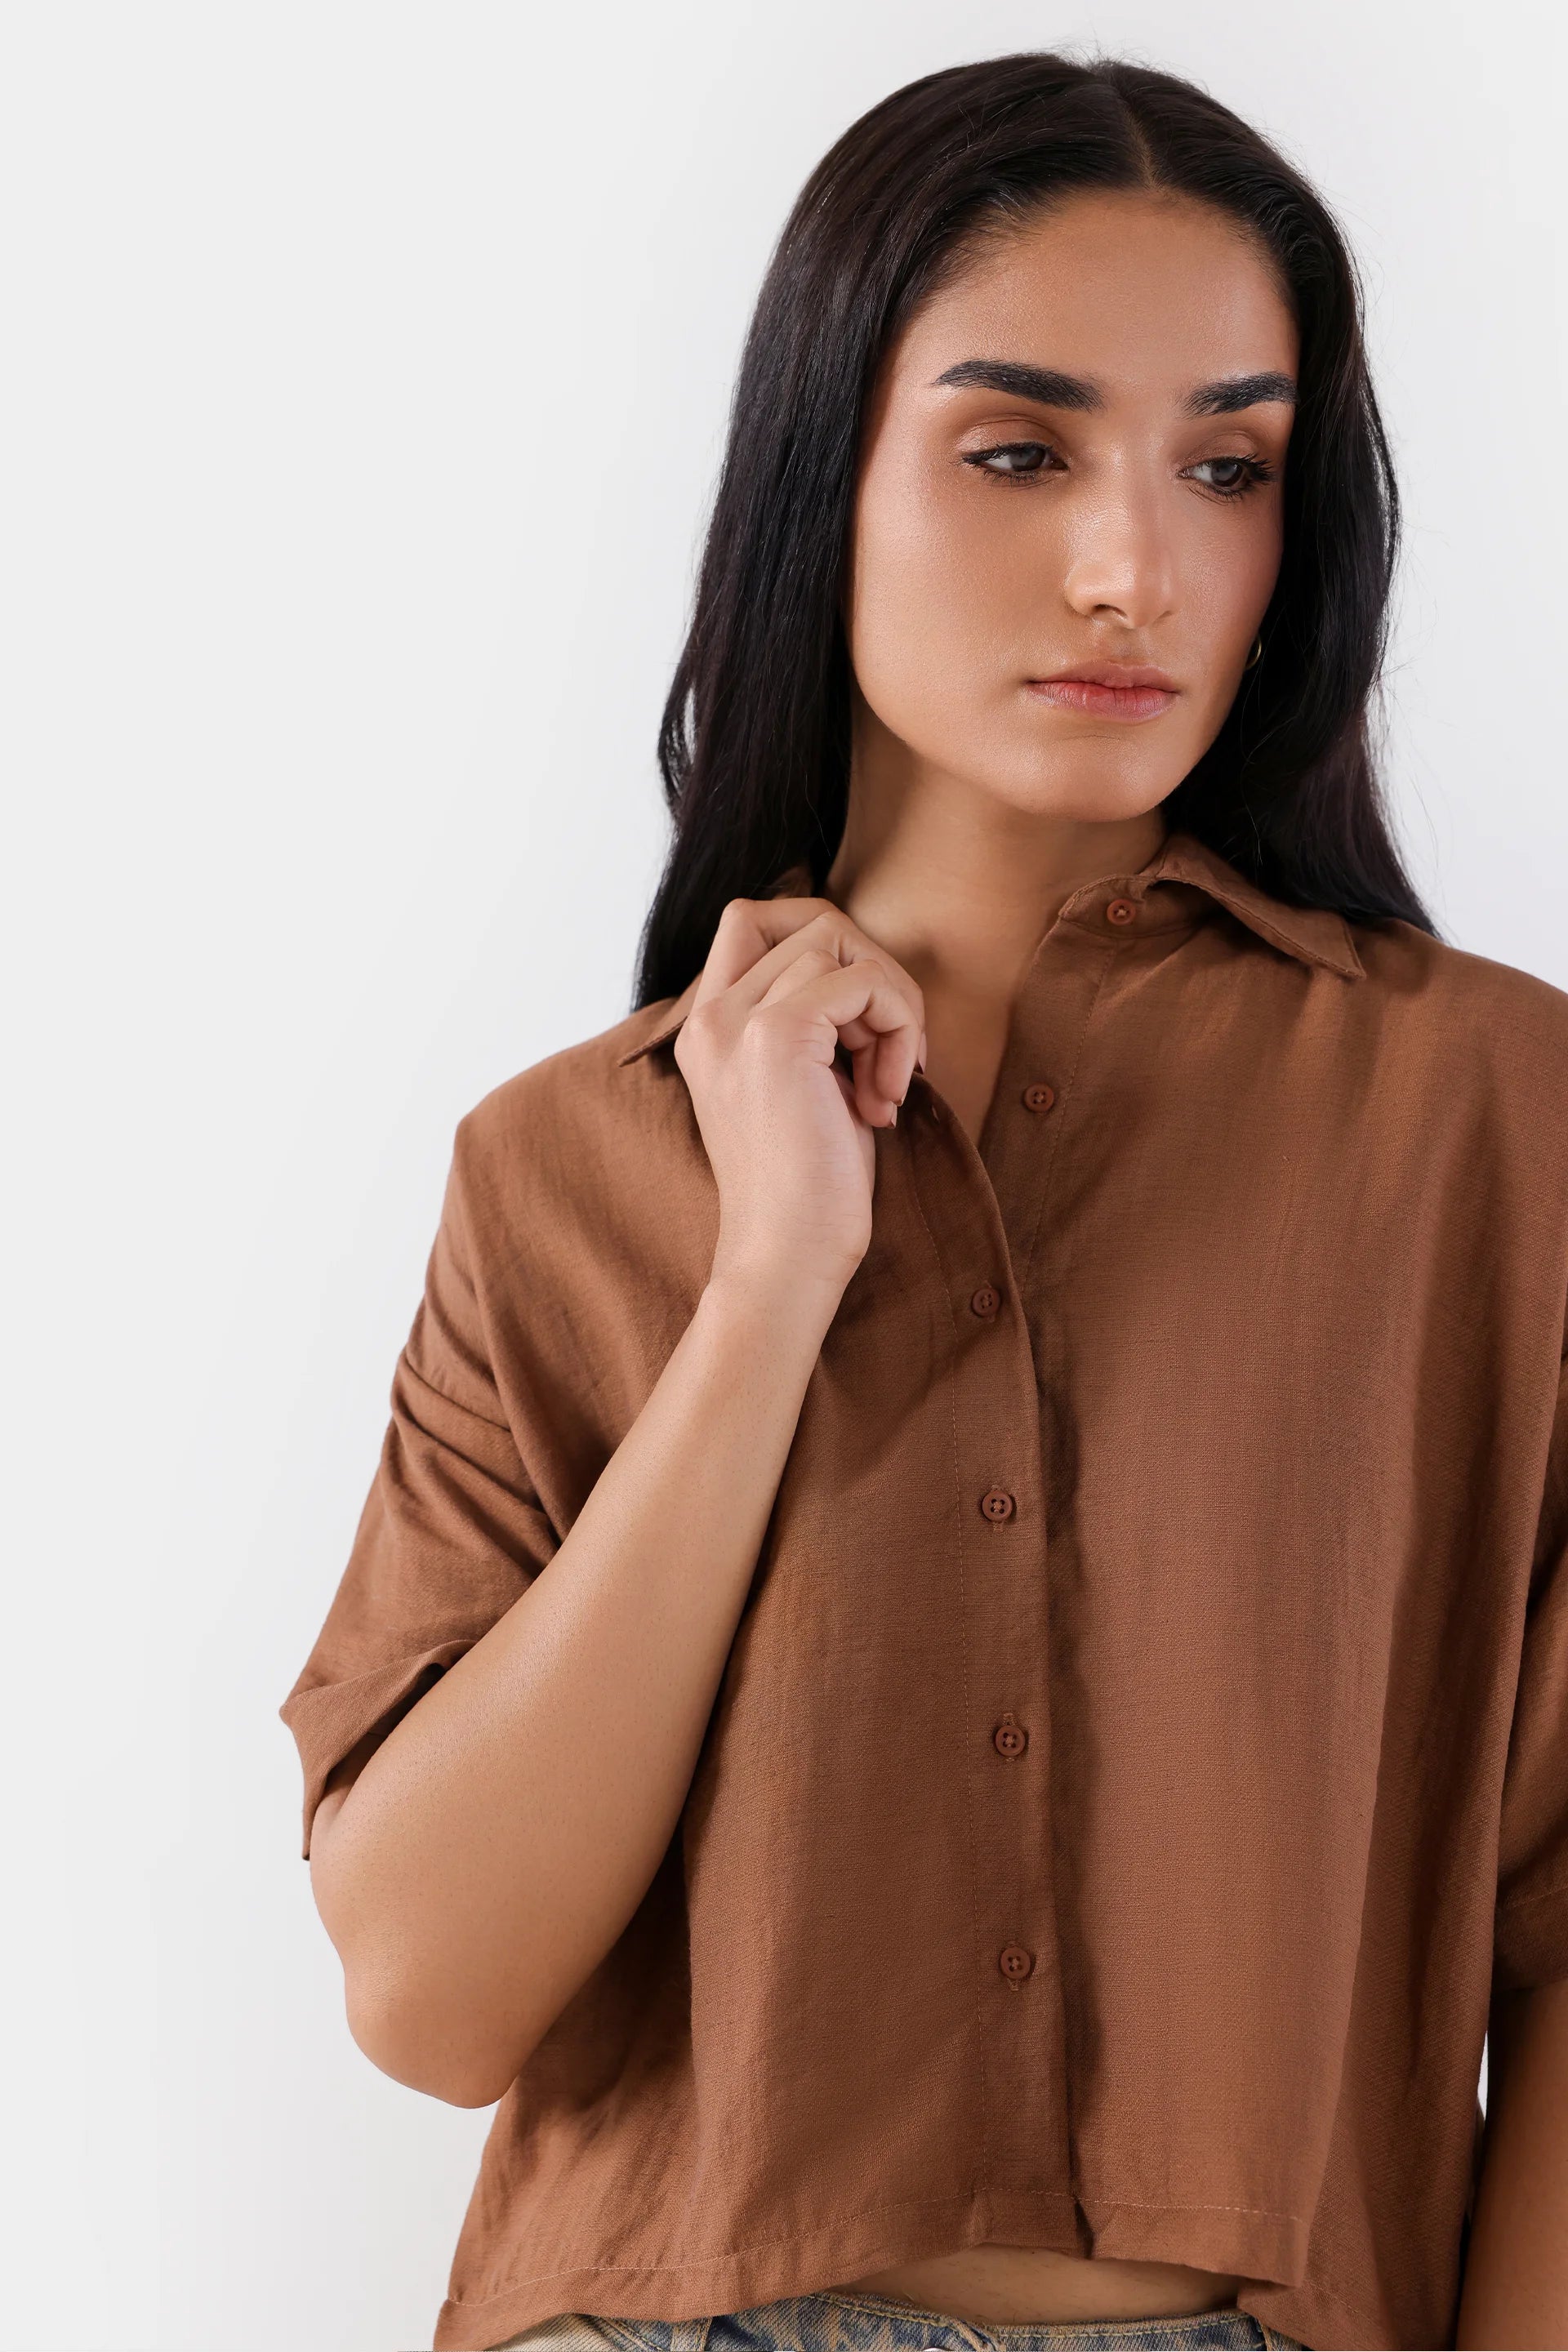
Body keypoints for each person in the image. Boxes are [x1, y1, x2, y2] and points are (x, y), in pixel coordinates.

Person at [278, 51, 1568, 2352]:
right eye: (1018, 451)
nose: (1131, 566)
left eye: (1228, 468)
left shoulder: (1488, 1120)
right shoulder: (567, 1166)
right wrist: (770, 1284)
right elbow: (434, 1995)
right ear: (825, 480)